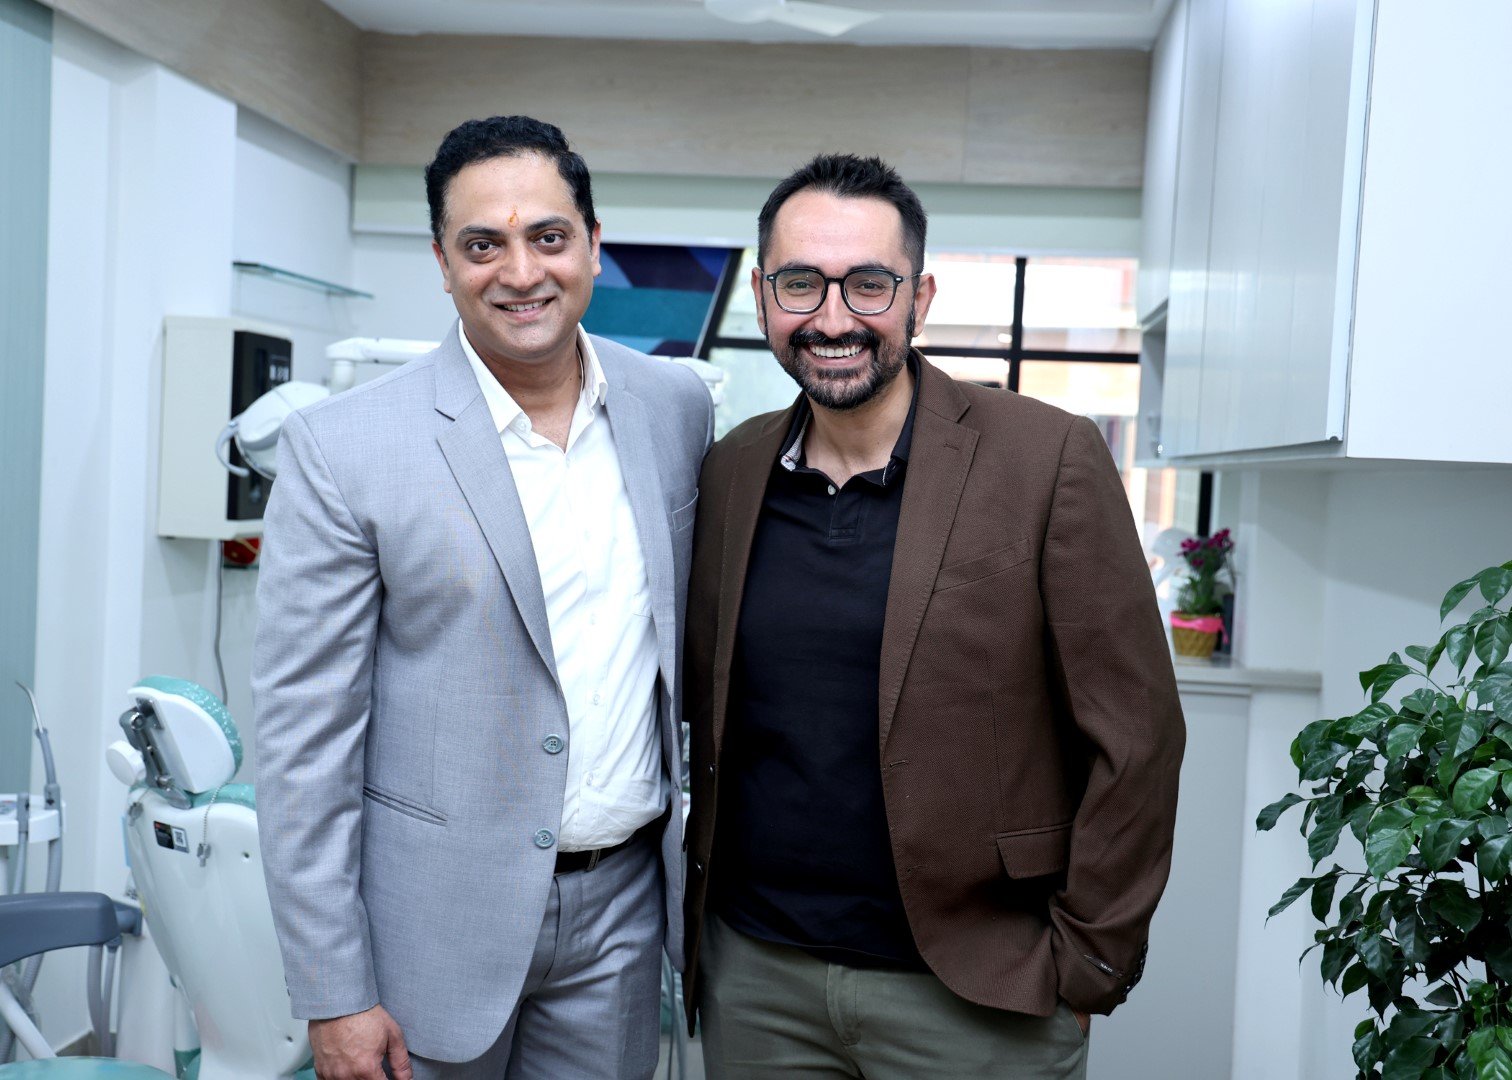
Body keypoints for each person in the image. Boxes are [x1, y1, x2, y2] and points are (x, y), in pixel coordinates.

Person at [681, 154, 1186, 1079]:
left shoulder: (1045, 459)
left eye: (869, 284)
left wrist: (1090, 960)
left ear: (920, 298)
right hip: (756, 980)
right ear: (762, 298)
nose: (834, 318)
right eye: (801, 283)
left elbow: (1137, 736)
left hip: (978, 991)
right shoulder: (731, 470)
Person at [253, 115, 712, 1080]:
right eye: (482, 245)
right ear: (442, 261)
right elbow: (304, 743)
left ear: (594, 243)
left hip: (623, 913)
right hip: (427, 928)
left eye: (548, 236)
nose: (521, 272)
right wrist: (334, 990)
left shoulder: (675, 409)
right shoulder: (345, 448)